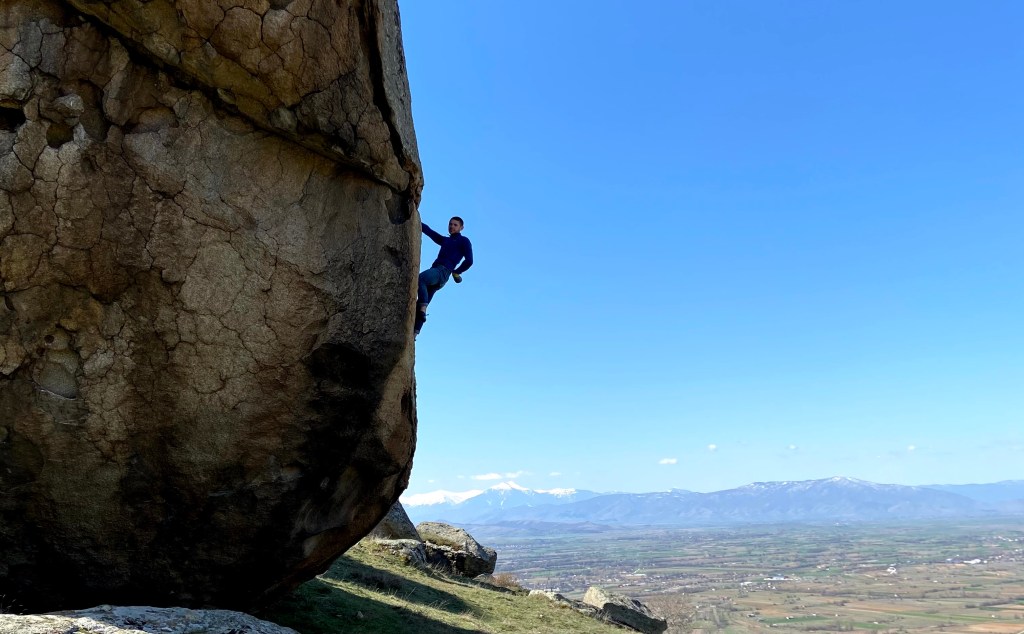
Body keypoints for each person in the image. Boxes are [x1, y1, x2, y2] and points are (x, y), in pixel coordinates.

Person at [416, 216, 473, 336]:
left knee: (421, 279)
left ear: (461, 227)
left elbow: (469, 261)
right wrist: (414, 216)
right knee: (419, 304)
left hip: (442, 272)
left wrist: (457, 271)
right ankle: (415, 333)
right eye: (450, 224)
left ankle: (423, 308)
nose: (452, 226)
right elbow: (429, 231)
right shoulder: (445, 240)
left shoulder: (464, 241)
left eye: (455, 225)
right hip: (436, 272)